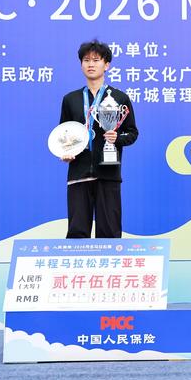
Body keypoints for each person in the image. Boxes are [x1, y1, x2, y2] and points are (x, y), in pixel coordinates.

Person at [59, 40, 138, 238]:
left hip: (108, 173)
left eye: (96, 60)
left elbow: (132, 133)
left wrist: (116, 138)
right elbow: (64, 133)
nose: (91, 64)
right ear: (81, 65)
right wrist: (65, 152)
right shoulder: (71, 99)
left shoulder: (119, 98)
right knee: (77, 233)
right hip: (79, 174)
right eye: (86, 60)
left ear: (106, 65)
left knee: (109, 233)